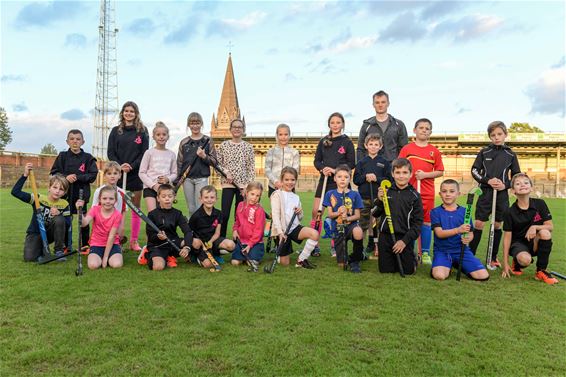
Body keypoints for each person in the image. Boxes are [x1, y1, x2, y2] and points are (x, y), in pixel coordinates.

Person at [469, 121, 520, 270]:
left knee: (498, 224)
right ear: (490, 137)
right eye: (493, 135)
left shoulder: (510, 154)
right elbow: (474, 170)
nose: (496, 137)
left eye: (499, 134)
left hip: (502, 195)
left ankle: (492, 257)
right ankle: (470, 255)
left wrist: (506, 185)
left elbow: (516, 175)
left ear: (505, 135)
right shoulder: (484, 152)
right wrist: (487, 180)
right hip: (485, 193)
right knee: (479, 223)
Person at [399, 118, 444, 265]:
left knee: (425, 222)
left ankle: (424, 252)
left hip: (427, 192)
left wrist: (425, 175)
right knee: (409, 221)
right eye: (421, 127)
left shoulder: (434, 151)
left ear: (430, 132)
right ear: (415, 130)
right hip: (409, 191)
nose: (424, 130)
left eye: (427, 128)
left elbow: (439, 171)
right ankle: (409, 250)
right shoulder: (407, 149)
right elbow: (398, 167)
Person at [311, 112, 356, 256]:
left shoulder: (347, 142)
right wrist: (322, 168)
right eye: (332, 123)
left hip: (341, 183)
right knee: (316, 212)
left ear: (342, 124)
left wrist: (336, 170)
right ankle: (314, 244)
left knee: (339, 214)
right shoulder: (324, 141)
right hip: (325, 181)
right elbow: (317, 160)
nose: (335, 125)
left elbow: (351, 163)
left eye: (338, 122)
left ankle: (335, 246)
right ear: (329, 124)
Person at [107, 101, 149, 252]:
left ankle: (134, 241)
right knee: (117, 208)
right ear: (122, 113)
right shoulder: (115, 131)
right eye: (126, 111)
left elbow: (144, 153)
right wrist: (119, 166)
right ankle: (116, 239)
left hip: (135, 175)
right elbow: (110, 152)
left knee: (135, 209)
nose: (129, 113)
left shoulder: (142, 132)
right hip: (118, 176)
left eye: (132, 111)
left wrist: (131, 166)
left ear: (136, 113)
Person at [501, 173, 558, 284]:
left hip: (534, 242)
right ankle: (517, 262)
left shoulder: (540, 204)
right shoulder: (509, 212)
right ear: (513, 191)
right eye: (518, 184)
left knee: (545, 232)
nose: (522, 185)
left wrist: (535, 226)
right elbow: (507, 238)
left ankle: (541, 271)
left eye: (526, 183)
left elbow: (550, 226)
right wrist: (505, 263)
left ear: (531, 188)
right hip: (517, 244)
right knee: (525, 260)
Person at [430, 180, 489, 281]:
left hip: (461, 250)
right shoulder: (435, 212)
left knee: (483, 276)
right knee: (439, 276)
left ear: (458, 194)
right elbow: (439, 233)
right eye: (444, 191)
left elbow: (470, 233)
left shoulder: (465, 212)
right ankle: (446, 263)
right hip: (443, 251)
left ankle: (457, 264)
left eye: (452, 191)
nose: (448, 194)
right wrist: (458, 230)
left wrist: (468, 239)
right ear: (440, 194)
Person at [50, 129, 98, 250]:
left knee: (83, 220)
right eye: (72, 139)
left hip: (81, 194)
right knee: (66, 219)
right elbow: (54, 172)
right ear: (67, 141)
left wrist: (77, 177)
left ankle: (85, 245)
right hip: (65, 194)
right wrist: (66, 177)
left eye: (78, 139)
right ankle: (66, 245)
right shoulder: (62, 156)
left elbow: (93, 175)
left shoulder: (88, 158)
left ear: (83, 142)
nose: (75, 141)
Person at [373, 158, 423, 275]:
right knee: (386, 271)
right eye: (398, 172)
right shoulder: (386, 191)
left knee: (407, 271)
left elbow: (418, 223)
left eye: (405, 173)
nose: (401, 176)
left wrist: (404, 241)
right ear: (392, 174)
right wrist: (380, 201)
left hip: (404, 237)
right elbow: (375, 213)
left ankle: (412, 259)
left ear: (410, 174)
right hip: (386, 237)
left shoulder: (415, 195)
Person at [12, 163, 71, 262]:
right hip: (35, 233)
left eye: (61, 189)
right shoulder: (38, 198)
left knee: (60, 219)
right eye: (55, 187)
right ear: (49, 188)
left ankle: (59, 251)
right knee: (29, 258)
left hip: (51, 233)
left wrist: (59, 214)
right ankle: (42, 251)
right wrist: (25, 175)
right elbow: (15, 192)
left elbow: (68, 224)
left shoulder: (64, 204)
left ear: (64, 192)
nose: (57, 191)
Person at [270, 167, 319, 269]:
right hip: (282, 231)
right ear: (281, 180)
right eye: (286, 180)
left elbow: (300, 218)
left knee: (314, 234)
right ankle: (280, 256)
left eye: (292, 180)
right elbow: (275, 216)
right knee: (285, 263)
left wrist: (300, 212)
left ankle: (301, 260)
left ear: (296, 180)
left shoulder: (296, 197)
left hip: (294, 228)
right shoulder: (276, 195)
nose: (290, 182)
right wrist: (280, 233)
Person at [137, 184, 192, 270]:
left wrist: (187, 247)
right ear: (158, 198)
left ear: (174, 197)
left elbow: (188, 231)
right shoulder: (152, 214)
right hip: (157, 245)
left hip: (173, 243)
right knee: (158, 267)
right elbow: (151, 237)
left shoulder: (178, 213)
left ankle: (170, 256)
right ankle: (147, 254)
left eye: (170, 196)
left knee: (196, 242)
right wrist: (158, 236)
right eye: (163, 196)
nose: (167, 198)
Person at [353, 134, 390, 258]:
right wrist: (365, 177)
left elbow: (389, 180)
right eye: (371, 144)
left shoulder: (384, 163)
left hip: (378, 199)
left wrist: (376, 178)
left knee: (379, 225)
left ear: (380, 146)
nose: (373, 147)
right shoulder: (361, 163)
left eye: (376, 145)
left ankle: (379, 249)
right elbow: (356, 180)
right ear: (366, 145)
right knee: (362, 225)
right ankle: (360, 249)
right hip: (363, 198)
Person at [216, 118, 255, 237]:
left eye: (240, 127)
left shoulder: (248, 147)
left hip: (242, 187)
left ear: (243, 130)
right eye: (235, 127)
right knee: (225, 214)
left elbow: (251, 168)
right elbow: (217, 164)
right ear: (230, 129)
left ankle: (238, 240)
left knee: (239, 215)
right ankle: (221, 240)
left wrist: (247, 188)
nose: (237, 129)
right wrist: (226, 173)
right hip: (228, 185)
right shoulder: (224, 145)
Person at [323, 165, 365, 273]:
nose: (342, 179)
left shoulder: (355, 194)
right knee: (342, 264)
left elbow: (357, 215)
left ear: (349, 179)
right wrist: (339, 213)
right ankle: (346, 258)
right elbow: (330, 215)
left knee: (358, 231)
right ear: (335, 178)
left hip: (351, 225)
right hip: (338, 227)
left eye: (346, 177)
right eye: (339, 176)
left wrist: (347, 218)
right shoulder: (330, 194)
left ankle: (356, 259)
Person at [176, 112, 216, 215]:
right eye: (192, 123)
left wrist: (204, 156)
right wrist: (177, 181)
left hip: (202, 178)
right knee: (191, 208)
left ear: (201, 124)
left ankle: (200, 231)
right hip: (187, 179)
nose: (195, 126)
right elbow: (180, 163)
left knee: (200, 208)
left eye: (197, 123)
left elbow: (214, 161)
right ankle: (192, 230)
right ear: (188, 125)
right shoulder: (184, 142)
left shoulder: (208, 140)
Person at [188, 185, 235, 269]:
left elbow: (217, 233)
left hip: (213, 240)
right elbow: (190, 233)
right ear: (201, 199)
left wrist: (210, 241)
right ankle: (196, 256)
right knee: (208, 265)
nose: (209, 200)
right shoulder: (196, 216)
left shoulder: (219, 213)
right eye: (206, 197)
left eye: (212, 197)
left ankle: (215, 253)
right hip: (201, 243)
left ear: (216, 199)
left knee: (231, 245)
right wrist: (199, 245)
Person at [77, 186, 123, 269]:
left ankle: (108, 256)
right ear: (100, 199)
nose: (108, 201)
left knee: (117, 264)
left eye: (111, 199)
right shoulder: (94, 210)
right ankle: (99, 256)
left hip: (112, 244)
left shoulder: (117, 215)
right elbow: (84, 223)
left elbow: (111, 236)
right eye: (104, 198)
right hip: (96, 243)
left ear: (115, 200)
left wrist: (105, 258)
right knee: (93, 266)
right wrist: (79, 211)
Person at [357, 90, 408, 163]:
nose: (380, 105)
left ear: (388, 103)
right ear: (373, 105)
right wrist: (361, 167)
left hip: (392, 167)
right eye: (377, 102)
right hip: (371, 166)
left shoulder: (399, 124)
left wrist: (399, 165)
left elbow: (404, 149)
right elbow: (360, 149)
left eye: (383, 102)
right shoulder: (367, 125)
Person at [139, 121, 177, 212]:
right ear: (154, 137)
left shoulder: (171, 154)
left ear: (168, 136)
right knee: (153, 215)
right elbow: (141, 173)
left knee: (164, 215)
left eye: (164, 134)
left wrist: (168, 179)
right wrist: (153, 185)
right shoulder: (149, 153)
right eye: (158, 134)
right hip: (150, 188)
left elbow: (175, 173)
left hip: (165, 189)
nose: (161, 136)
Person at [231, 182, 267, 269]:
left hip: (255, 243)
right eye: (252, 194)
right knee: (234, 262)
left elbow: (259, 231)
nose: (254, 198)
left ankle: (254, 256)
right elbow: (237, 221)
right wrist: (235, 230)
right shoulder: (240, 205)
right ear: (246, 193)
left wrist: (250, 244)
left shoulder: (259, 210)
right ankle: (244, 256)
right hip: (242, 241)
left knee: (250, 263)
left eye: (257, 196)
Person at [92, 161, 127, 244]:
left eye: (115, 173)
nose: (112, 176)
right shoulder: (98, 191)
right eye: (109, 173)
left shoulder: (122, 192)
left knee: (114, 248)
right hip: (101, 226)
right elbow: (94, 211)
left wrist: (121, 227)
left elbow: (123, 210)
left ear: (120, 175)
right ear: (104, 175)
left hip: (116, 225)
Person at [264, 123, 300, 197]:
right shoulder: (271, 151)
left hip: (289, 187)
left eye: (286, 134)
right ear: (276, 135)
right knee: (275, 209)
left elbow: (295, 170)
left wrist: (286, 183)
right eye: (280, 134)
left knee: (289, 208)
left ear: (289, 135)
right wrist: (276, 182)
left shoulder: (294, 152)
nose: (283, 137)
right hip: (273, 187)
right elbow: (267, 169)